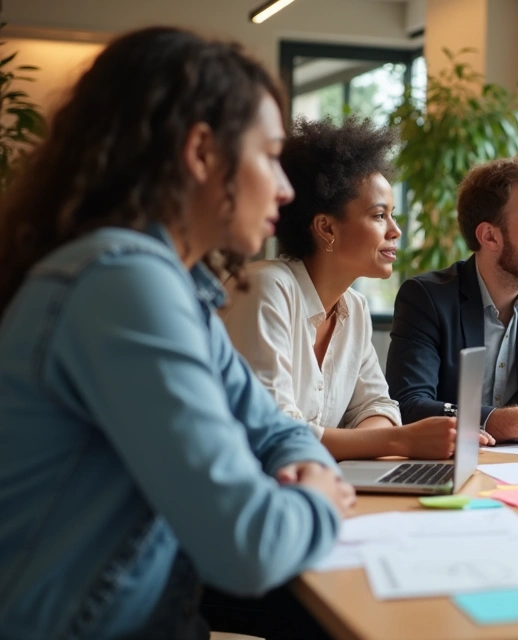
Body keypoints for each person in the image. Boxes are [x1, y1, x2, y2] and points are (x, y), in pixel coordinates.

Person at [0, 27, 353, 639]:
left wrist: (300, 468)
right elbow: (248, 544)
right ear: (200, 154)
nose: (286, 187)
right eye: (268, 156)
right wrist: (319, 498)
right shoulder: (123, 283)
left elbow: (276, 431)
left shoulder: (173, 287)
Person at [221, 116, 489, 462]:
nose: (395, 231)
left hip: (318, 482)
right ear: (326, 228)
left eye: (392, 216)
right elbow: (273, 432)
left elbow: (377, 406)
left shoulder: (354, 307)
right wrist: (398, 443)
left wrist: (370, 446)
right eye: (379, 216)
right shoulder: (265, 289)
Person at [386, 155, 518, 443]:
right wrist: (510, 422)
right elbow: (407, 405)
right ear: (490, 236)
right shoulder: (426, 298)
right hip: (450, 465)